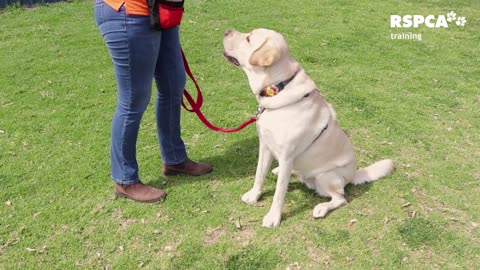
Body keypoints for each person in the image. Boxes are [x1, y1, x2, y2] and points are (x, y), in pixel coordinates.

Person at [94, 0, 212, 203]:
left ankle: (175, 159)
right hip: (127, 12)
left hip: (161, 10)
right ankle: (125, 180)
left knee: (173, 83)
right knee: (133, 98)